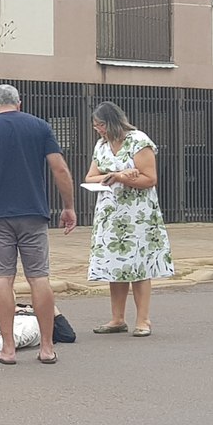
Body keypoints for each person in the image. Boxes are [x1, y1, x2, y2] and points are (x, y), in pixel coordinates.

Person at [0, 84, 77, 365]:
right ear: (19, 103)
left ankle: (7, 348)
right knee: (38, 277)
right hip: (34, 213)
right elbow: (60, 169)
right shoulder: (40, 127)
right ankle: (46, 348)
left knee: (3, 278)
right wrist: (68, 206)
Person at [84, 101, 173, 337]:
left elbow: (150, 178)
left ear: (112, 122)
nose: (98, 130)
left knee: (139, 265)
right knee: (116, 264)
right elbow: (91, 176)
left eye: (100, 125)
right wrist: (116, 175)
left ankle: (143, 320)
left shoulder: (138, 141)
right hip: (110, 214)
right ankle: (117, 318)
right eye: (96, 126)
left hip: (137, 215)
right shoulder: (102, 145)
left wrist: (123, 179)